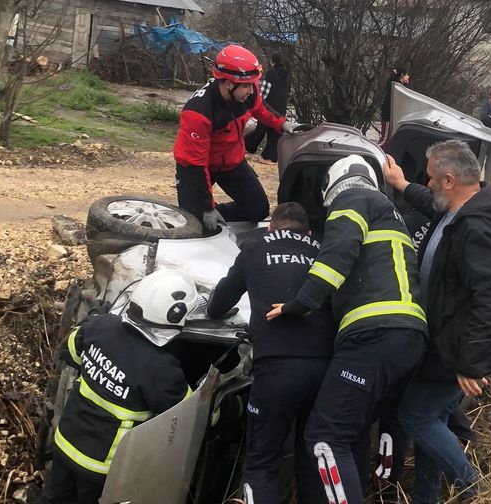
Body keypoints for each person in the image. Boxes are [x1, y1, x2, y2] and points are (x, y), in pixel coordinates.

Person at [267, 155, 427, 504]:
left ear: (332, 185)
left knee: (324, 435)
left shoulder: (351, 201)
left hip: (373, 335)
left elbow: (337, 255)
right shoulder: (390, 211)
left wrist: (299, 304)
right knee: (352, 431)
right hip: (408, 336)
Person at [383, 140, 491, 503]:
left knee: (416, 417)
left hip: (454, 351)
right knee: (434, 421)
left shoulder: (476, 228)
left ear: (448, 180)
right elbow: (432, 204)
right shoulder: (458, 210)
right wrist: (400, 185)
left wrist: (470, 363)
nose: (426, 185)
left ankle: (479, 491)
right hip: (446, 343)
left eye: (429, 179)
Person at [207, 202, 334, 504]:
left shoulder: (254, 249)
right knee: (312, 454)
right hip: (324, 367)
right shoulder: (324, 251)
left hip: (275, 367)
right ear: (309, 230)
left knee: (262, 461)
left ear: (271, 226)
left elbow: (218, 304)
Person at [37, 269, 197, 504]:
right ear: (175, 315)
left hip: (65, 441)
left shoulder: (101, 325)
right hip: (99, 468)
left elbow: (70, 351)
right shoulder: (162, 370)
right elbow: (189, 414)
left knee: (52, 499)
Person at [173, 45, 308, 231]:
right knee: (193, 222)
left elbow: (261, 108)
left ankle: (216, 218)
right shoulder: (198, 113)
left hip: (231, 161)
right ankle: (197, 217)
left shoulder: (247, 92)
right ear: (228, 83)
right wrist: (206, 208)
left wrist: (283, 124)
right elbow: (196, 164)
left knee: (257, 209)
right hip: (195, 166)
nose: (252, 90)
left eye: (252, 84)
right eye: (246, 85)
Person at [244, 52, 292, 164]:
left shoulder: (271, 73)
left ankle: (248, 149)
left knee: (260, 130)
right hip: (281, 107)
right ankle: (269, 157)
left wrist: (258, 100)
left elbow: (264, 91)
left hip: (269, 106)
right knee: (275, 133)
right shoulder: (287, 75)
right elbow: (289, 92)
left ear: (273, 61)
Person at [378, 67, 410, 151]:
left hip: (390, 116)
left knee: (385, 139)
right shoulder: (396, 87)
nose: (408, 77)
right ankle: (374, 152)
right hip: (388, 116)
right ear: (402, 75)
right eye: (406, 74)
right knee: (385, 140)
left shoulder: (396, 86)